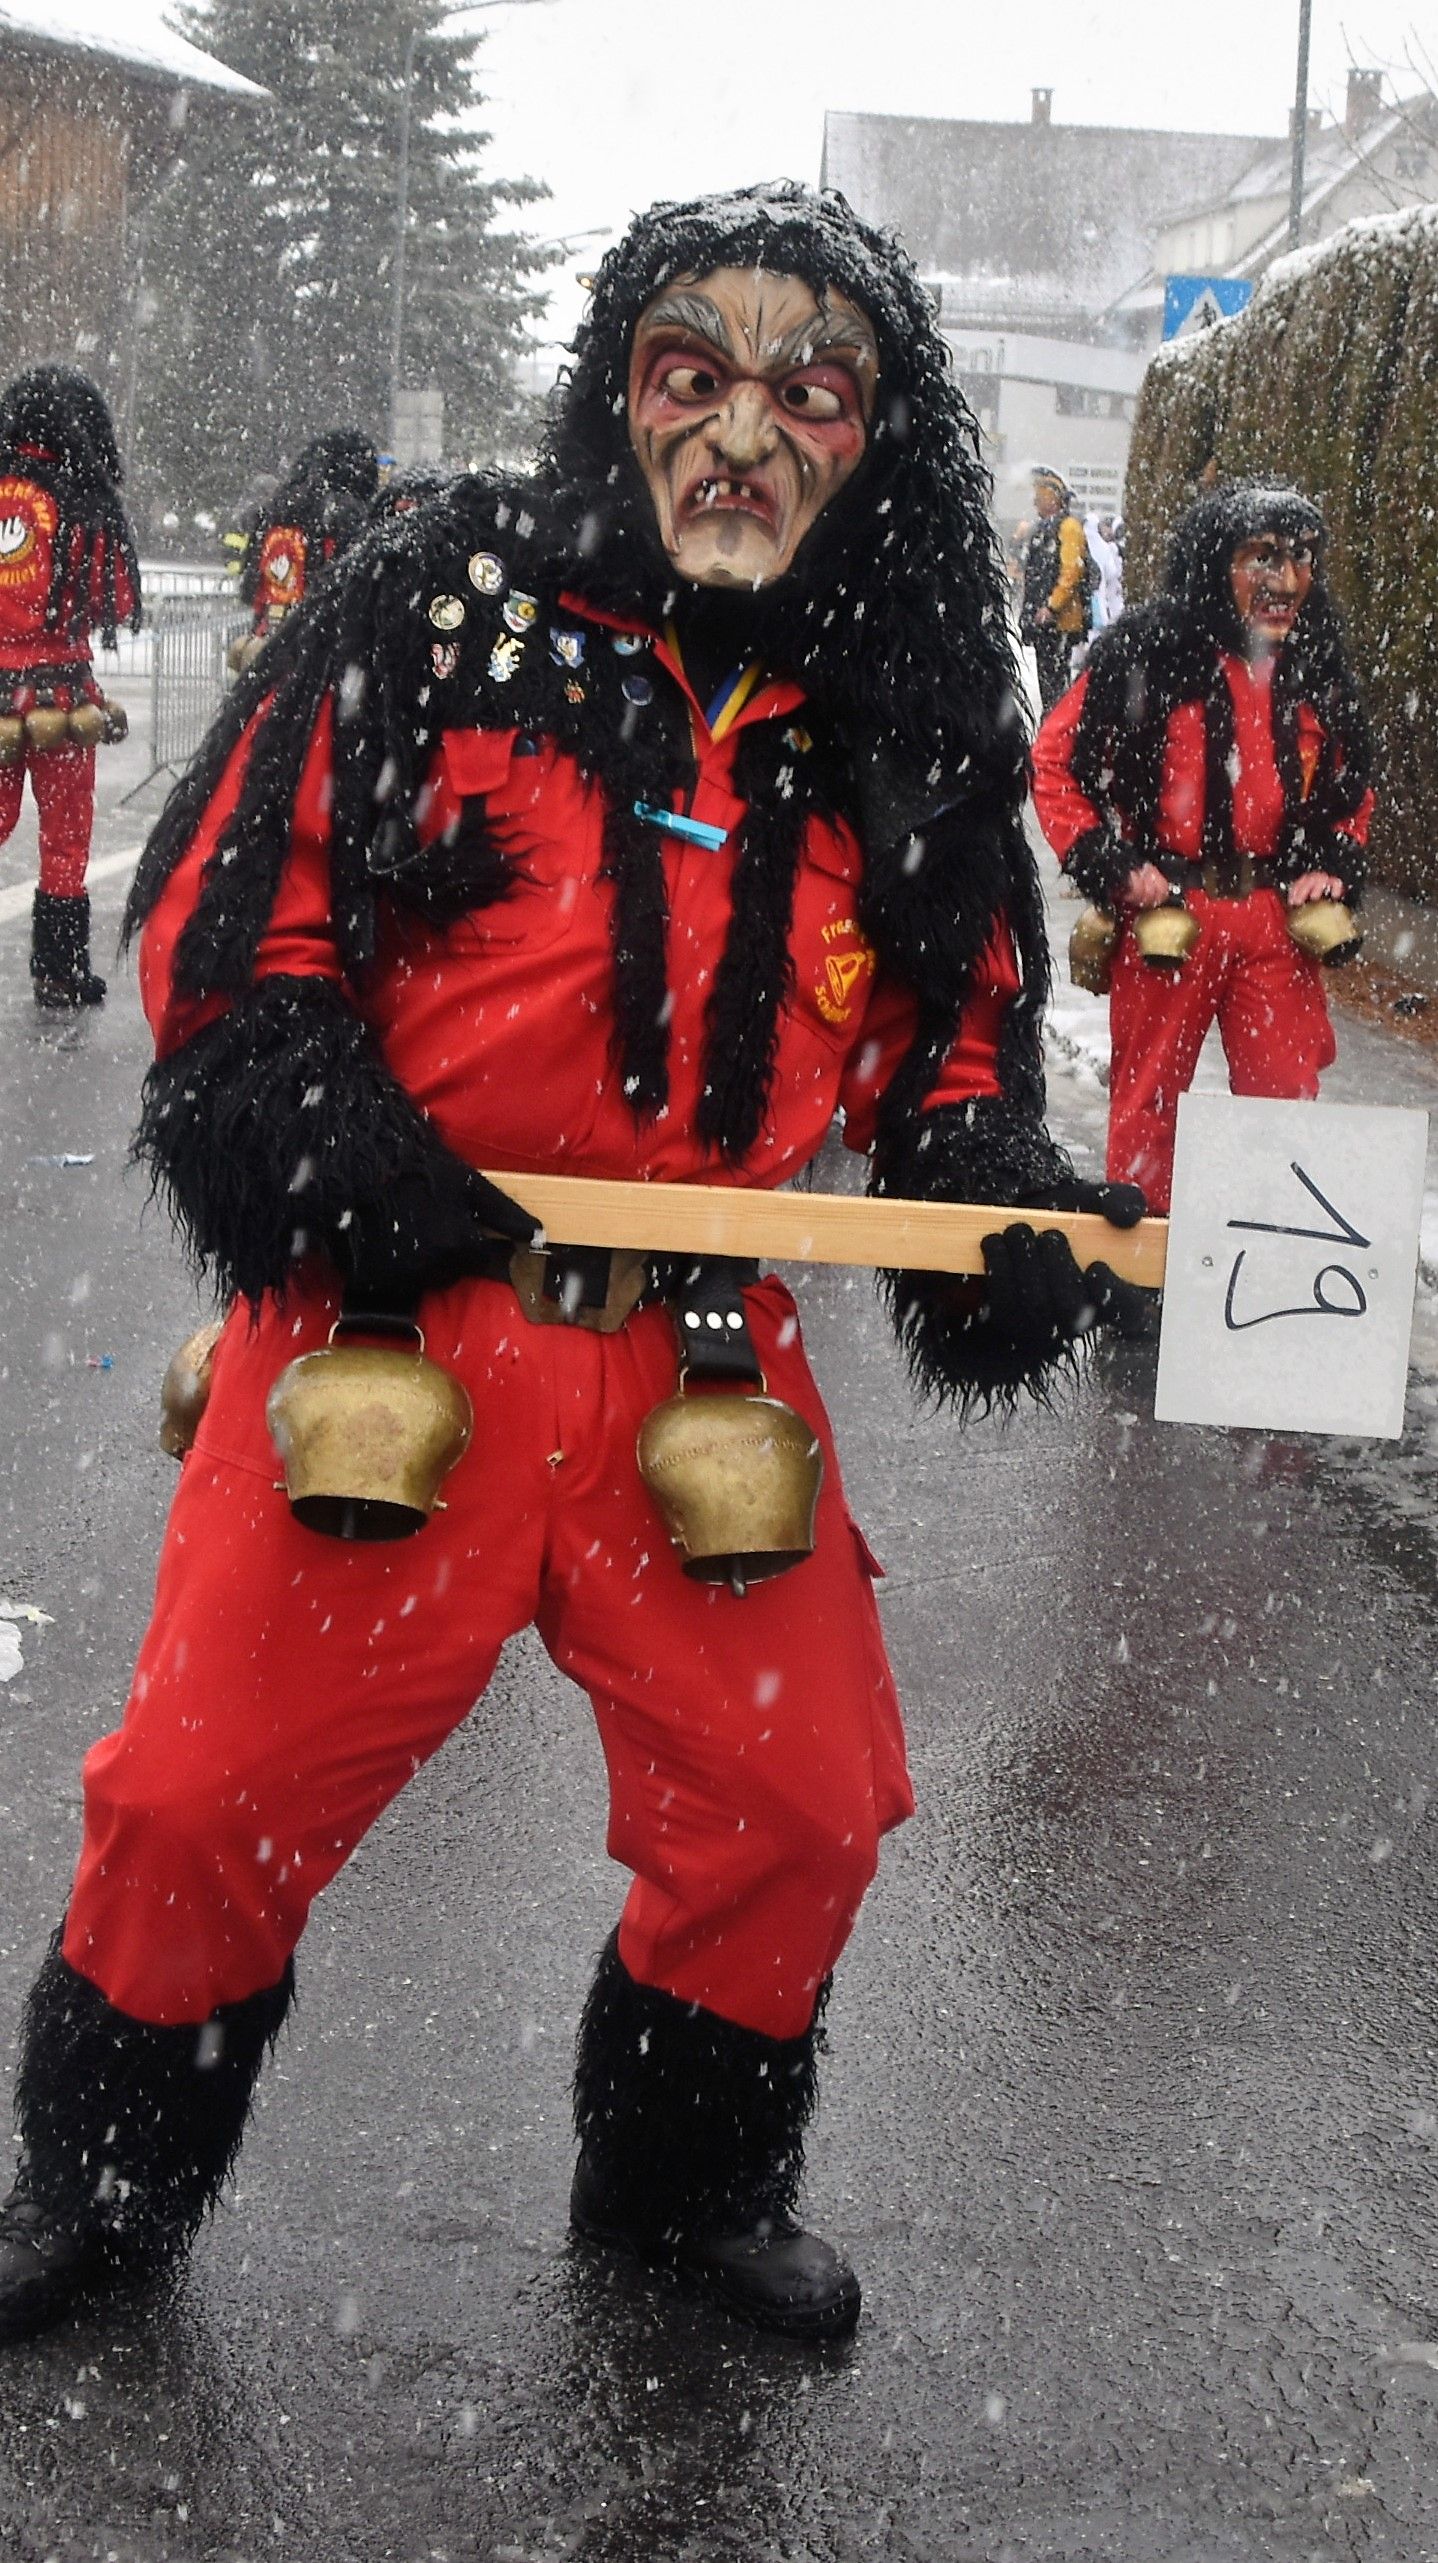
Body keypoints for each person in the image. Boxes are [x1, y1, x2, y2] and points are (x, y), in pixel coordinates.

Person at [0, 183, 1150, 2353]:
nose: (742, 433)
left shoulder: (897, 703)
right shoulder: (438, 602)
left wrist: (993, 1193)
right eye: (689, 375)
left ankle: (683, 2186)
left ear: (878, 433)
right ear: (616, 393)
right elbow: (240, 905)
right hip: (389, 1321)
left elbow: (952, 1035)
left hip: (696, 1367)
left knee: (797, 1808)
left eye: (809, 391)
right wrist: (321, 1134)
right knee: (196, 1796)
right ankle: (103, 2182)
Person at [1033, 482, 1374, 1212]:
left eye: (1301, 558)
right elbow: (1056, 762)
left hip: (1275, 922)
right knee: (1148, 1113)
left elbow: (1352, 783)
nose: (1287, 580)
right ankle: (1139, 1264)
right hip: (1170, 915)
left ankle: (1272, 1252)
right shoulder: (1147, 653)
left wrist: (1335, 859)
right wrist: (1109, 864)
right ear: (1217, 563)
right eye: (1264, 558)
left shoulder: (1317, 665)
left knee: (1284, 1112)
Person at [0, 366, 141, 1007]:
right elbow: (115, 599)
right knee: (65, 836)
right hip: (61, 694)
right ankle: (59, 971)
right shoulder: (83, 499)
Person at [233, 427, 378, 663]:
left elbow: (258, 584)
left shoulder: (276, 511)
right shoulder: (350, 516)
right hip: (322, 646)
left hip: (270, 638)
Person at [1019, 468, 1087, 712]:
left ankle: (1055, 722)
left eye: (1039, 496)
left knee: (1055, 682)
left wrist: (1051, 606)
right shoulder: (1046, 527)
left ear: (1053, 499)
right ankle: (1051, 720)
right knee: (1048, 680)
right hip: (1046, 622)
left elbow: (1071, 571)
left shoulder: (1068, 527)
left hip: (1059, 622)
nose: (1035, 501)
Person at [1083, 510, 1124, 629]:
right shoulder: (1105, 547)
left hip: (1087, 597)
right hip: (1102, 595)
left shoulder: (1081, 544)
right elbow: (1112, 572)